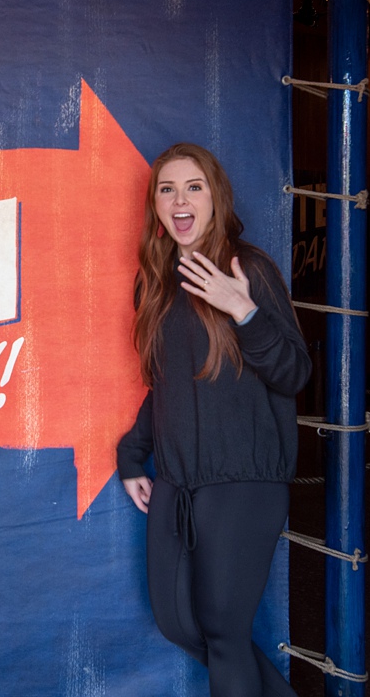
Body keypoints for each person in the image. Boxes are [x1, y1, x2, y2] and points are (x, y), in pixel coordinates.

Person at [116, 143, 310, 697]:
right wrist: (133, 455)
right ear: (155, 204)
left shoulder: (245, 269)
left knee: (225, 633)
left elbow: (295, 373)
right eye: (167, 188)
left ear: (215, 197)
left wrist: (242, 310)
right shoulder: (155, 280)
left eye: (193, 186)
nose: (180, 199)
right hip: (179, 481)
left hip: (244, 481)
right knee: (179, 622)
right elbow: (165, 386)